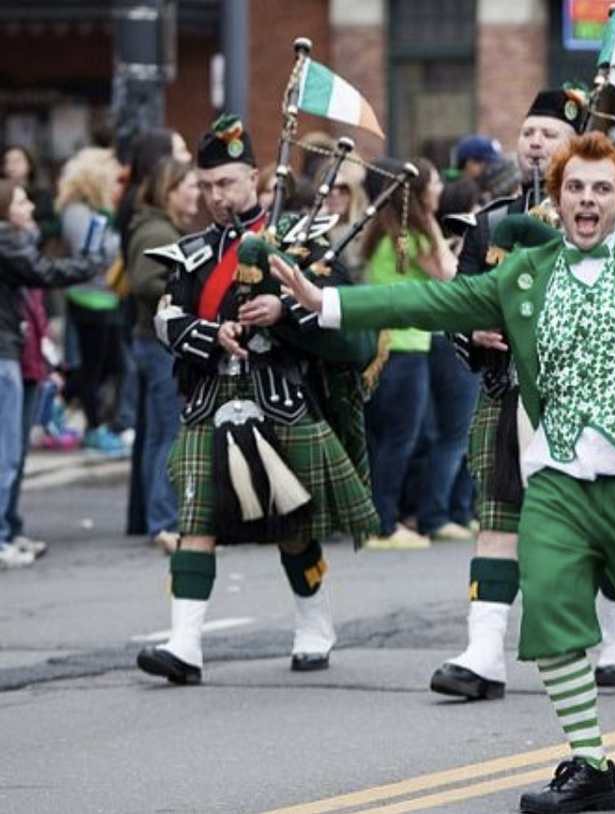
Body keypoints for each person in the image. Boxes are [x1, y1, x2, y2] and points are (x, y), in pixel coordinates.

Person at [274, 129, 615, 813]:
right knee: (548, 606)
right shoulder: (523, 275)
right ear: (558, 196)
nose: (588, 199)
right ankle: (590, 764)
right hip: (561, 478)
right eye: (576, 187)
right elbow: (432, 302)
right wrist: (326, 303)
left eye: (603, 188)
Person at [135, 114, 378, 685]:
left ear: (254, 176)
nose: (217, 196)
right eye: (207, 184)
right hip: (210, 398)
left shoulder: (303, 242)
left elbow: (350, 327)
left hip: (281, 399)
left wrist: (284, 312)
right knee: (196, 518)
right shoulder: (190, 253)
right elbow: (166, 317)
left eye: (228, 182)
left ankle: (314, 623)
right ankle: (185, 645)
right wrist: (207, 334)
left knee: (292, 526)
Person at [430, 88, 615, 700]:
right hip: (510, 393)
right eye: (528, 131)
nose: (533, 141)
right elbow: (458, 302)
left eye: (548, 133)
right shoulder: (492, 222)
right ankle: (484, 652)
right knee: (498, 520)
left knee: (600, 529)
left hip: (589, 397)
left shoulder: (611, 221)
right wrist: (472, 331)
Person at [0, 179, 111, 568]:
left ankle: (9, 530)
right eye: (20, 201)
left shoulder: (16, 240)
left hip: (20, 351)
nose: (29, 206)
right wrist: (92, 262)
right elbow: (45, 272)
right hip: (7, 354)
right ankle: (2, 536)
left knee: (14, 449)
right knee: (7, 452)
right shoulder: (6, 240)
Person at [360, 156, 458, 550]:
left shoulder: (383, 232)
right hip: (407, 347)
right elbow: (450, 275)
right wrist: (432, 224)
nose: (439, 190)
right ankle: (383, 523)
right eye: (433, 184)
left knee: (385, 440)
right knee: (401, 440)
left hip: (381, 348)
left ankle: (381, 517)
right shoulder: (413, 235)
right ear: (417, 193)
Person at [125, 157, 202, 553]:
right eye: (190, 185)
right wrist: (188, 295)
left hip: (151, 341)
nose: (198, 193)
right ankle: (166, 522)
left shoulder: (161, 228)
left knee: (159, 434)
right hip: (158, 343)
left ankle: (158, 520)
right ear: (169, 190)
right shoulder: (157, 231)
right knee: (169, 432)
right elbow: (143, 282)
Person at [55, 146, 129, 456]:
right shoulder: (76, 210)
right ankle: (92, 426)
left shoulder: (98, 209)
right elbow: (96, 254)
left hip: (107, 298)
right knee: (94, 368)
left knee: (112, 365)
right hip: (88, 298)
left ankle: (61, 395)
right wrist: (117, 241)